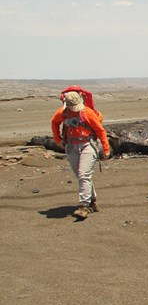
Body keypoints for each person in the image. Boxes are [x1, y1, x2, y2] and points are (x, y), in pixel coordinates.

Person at [51, 90, 111, 220]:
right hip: (71, 146)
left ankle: (83, 206)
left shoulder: (87, 113)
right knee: (82, 176)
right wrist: (57, 139)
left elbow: (100, 131)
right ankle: (92, 200)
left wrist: (106, 148)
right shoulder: (62, 113)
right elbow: (54, 122)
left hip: (87, 145)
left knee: (84, 174)